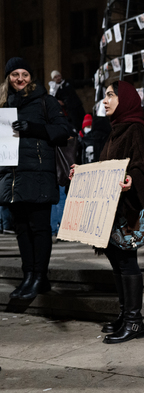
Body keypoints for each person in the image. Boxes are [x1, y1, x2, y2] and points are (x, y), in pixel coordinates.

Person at [70, 81, 144, 344]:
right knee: (116, 258)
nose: (105, 101)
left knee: (126, 261)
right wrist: (83, 172)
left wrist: (132, 179)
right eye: (104, 96)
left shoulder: (136, 129)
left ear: (126, 99)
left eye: (111, 95)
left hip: (131, 208)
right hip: (115, 208)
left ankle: (135, 322)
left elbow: (142, 166)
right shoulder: (117, 130)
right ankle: (126, 316)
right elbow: (106, 167)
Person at [0, 57, 73, 299]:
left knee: (39, 227)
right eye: (14, 74)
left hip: (39, 174)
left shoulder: (46, 101)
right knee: (21, 228)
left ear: (31, 77)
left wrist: (33, 128)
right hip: (13, 176)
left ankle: (40, 276)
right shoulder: (4, 104)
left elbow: (64, 130)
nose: (20, 78)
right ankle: (29, 276)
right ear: (8, 78)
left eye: (24, 74)